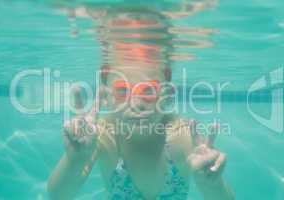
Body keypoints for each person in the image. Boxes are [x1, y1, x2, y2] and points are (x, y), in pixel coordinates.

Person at [47, 6, 235, 200]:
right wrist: (75, 160)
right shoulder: (103, 137)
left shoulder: (181, 138)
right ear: (106, 92)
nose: (136, 104)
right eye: (123, 91)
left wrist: (212, 185)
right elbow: (57, 196)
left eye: (148, 91)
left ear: (165, 89)